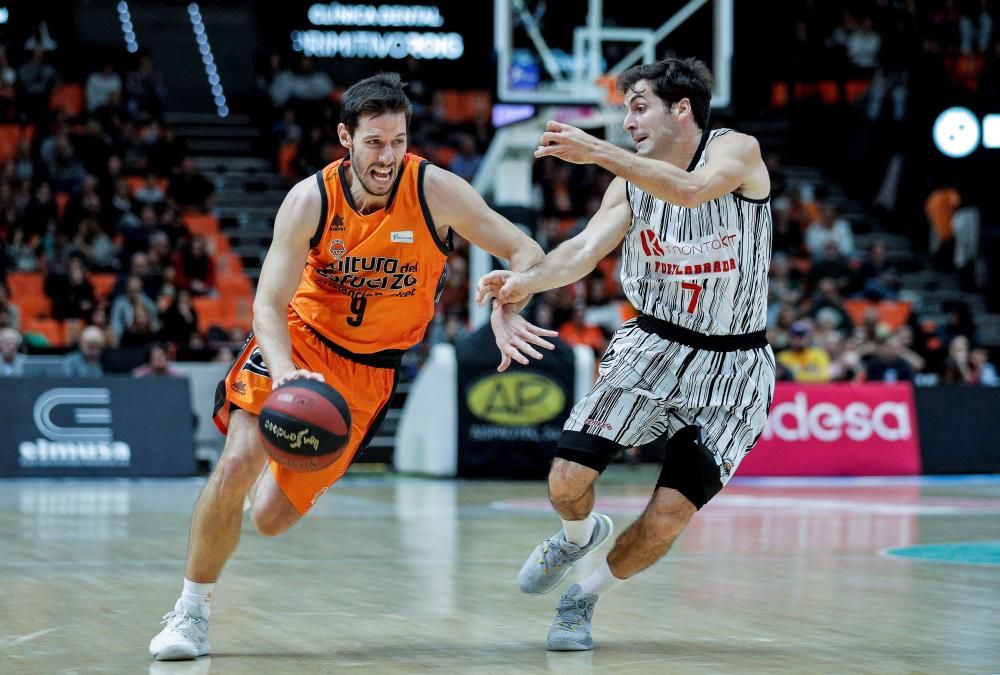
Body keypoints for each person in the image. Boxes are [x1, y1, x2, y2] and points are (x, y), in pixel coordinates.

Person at [149, 72, 553, 661]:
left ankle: (250, 489)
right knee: (236, 462)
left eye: (397, 141)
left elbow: (527, 250)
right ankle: (190, 611)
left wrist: (510, 299)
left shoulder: (435, 191)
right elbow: (266, 303)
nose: (387, 156)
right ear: (346, 137)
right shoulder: (311, 199)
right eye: (373, 142)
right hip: (300, 341)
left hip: (367, 374)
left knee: (269, 519)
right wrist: (285, 371)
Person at [477, 56, 775, 652]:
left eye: (639, 106)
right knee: (565, 483)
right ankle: (576, 534)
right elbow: (582, 250)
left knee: (667, 518)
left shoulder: (736, 151)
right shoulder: (628, 184)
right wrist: (523, 285)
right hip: (653, 346)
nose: (628, 120)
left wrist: (599, 152)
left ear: (681, 108)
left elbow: (691, 191)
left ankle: (582, 597)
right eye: (625, 109)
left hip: (737, 366)